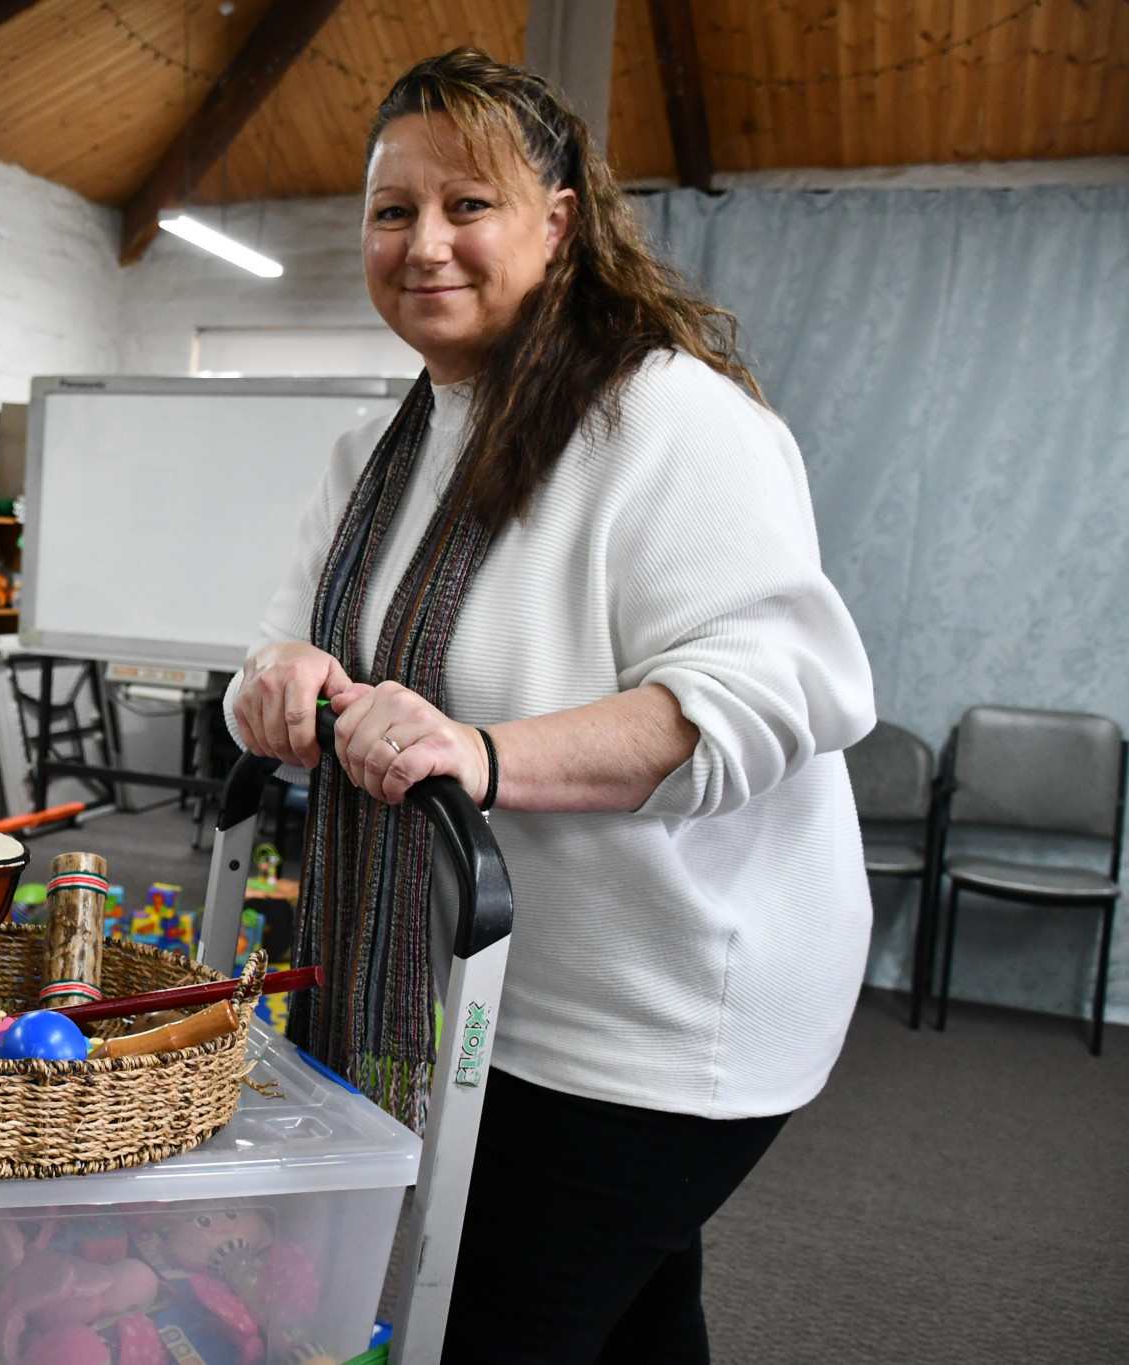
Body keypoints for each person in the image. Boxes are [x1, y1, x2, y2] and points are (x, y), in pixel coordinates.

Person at [226, 49, 875, 1363]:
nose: (425, 243)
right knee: (638, 1319)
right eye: (393, 210)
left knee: (485, 1327)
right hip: (474, 1002)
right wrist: (273, 686)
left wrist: (480, 752)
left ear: (560, 222)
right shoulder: (382, 446)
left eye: (470, 204)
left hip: (647, 1026)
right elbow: (287, 648)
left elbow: (771, 693)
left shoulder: (668, 421)